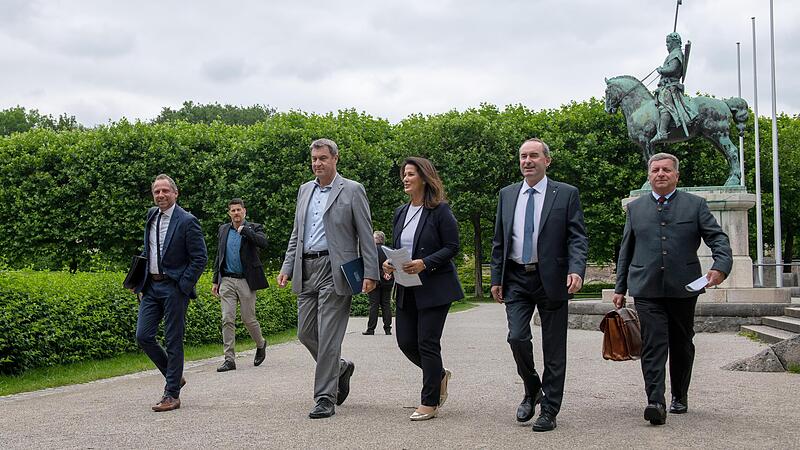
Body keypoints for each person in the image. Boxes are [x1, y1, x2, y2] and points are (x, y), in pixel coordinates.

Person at [613, 153, 732, 426]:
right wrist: (620, 287)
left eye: (667, 170)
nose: (661, 174)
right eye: (655, 170)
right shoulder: (635, 208)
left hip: (684, 287)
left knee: (681, 344)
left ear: (676, 176)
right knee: (653, 344)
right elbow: (626, 251)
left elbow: (719, 240)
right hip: (646, 287)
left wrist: (720, 267)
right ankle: (655, 401)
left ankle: (680, 394)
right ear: (648, 175)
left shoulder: (696, 206)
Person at [490, 138, 588, 432]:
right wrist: (497, 277)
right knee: (516, 337)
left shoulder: (566, 194)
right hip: (516, 277)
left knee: (554, 348)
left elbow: (577, 237)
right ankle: (532, 385)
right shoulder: (507, 195)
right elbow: (499, 240)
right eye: (523, 156)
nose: (527, 161)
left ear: (547, 161)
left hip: (553, 279)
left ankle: (549, 409)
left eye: (534, 155)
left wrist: (576, 269)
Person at [277, 138, 379, 419]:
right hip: (305, 268)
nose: (317, 163)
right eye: (314, 159)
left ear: (335, 159)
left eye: (322, 158)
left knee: (330, 335)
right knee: (305, 332)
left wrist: (370, 272)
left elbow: (365, 234)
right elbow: (297, 234)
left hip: (336, 269)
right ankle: (340, 368)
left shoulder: (353, 190)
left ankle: (325, 396)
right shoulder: (304, 190)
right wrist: (287, 267)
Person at [383, 157, 463, 421]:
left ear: (424, 178)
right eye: (404, 175)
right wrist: (389, 263)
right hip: (407, 286)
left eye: (410, 174)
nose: (405, 179)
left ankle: (429, 401)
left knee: (427, 343)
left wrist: (425, 263)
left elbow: (452, 246)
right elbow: (400, 247)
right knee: (406, 342)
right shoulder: (400, 212)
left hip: (435, 287)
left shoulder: (440, 210)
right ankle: (438, 375)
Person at [133, 174, 207, 412]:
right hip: (151, 287)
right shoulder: (150, 216)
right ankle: (174, 376)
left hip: (174, 287)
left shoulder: (187, 221)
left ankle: (171, 394)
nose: (161, 195)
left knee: (174, 339)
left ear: (175, 193)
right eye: (157, 191)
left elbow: (200, 258)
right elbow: (149, 250)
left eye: (165, 191)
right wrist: (142, 283)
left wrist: (183, 286)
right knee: (143, 335)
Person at [211, 198, 269, 372]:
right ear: (229, 213)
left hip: (246, 280)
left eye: (238, 210)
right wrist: (216, 280)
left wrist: (246, 232)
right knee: (227, 318)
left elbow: (264, 243)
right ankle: (229, 359)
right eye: (232, 210)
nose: (236, 213)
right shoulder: (223, 230)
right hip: (227, 280)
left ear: (244, 211)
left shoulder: (254, 228)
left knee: (248, 319)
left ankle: (261, 343)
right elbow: (219, 255)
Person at [651, 32, 697, 143]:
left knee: (665, 105)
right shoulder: (673, 54)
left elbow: (673, 69)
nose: (667, 45)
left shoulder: (676, 54)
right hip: (666, 85)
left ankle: (662, 132)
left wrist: (661, 70)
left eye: (668, 42)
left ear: (675, 42)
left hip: (671, 87)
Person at [363, 231, 394, 336]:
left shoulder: (371, 250)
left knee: (374, 305)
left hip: (374, 280)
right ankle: (387, 329)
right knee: (386, 304)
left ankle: (371, 329)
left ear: (375, 239)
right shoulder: (390, 250)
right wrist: (387, 274)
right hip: (388, 280)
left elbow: (371, 265)